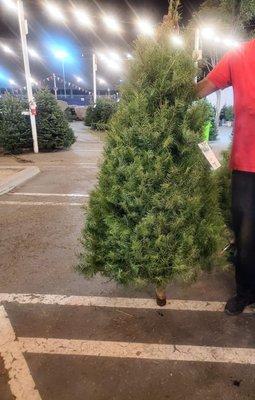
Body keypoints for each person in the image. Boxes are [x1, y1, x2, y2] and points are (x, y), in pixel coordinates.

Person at [197, 39, 255, 316]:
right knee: (245, 237)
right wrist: (168, 79)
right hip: (247, 166)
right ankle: (245, 292)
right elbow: (201, 89)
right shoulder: (239, 55)